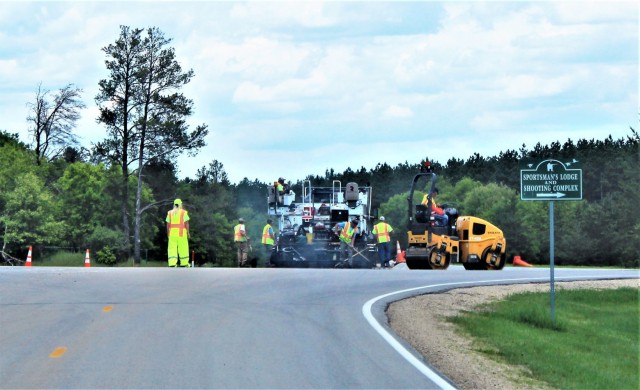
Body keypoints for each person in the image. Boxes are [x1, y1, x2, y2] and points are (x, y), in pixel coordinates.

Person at [166, 198, 190, 267]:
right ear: (180, 204)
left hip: (172, 234)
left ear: (174, 204)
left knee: (172, 248)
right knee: (183, 248)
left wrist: (168, 233)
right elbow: (186, 223)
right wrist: (188, 232)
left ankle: (172, 263)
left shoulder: (170, 213)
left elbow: (168, 224)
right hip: (181, 233)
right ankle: (184, 263)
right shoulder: (183, 212)